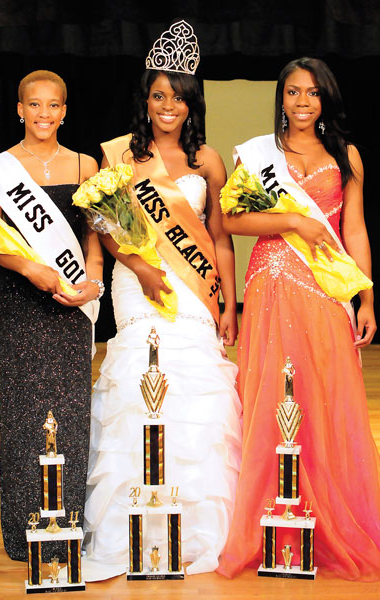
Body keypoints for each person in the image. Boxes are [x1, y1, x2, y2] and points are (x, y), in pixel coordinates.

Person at [83, 21, 242, 579]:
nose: (167, 106)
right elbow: (104, 222)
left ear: (191, 102)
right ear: (145, 100)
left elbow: (219, 238)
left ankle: (196, 528)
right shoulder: (122, 156)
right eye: (158, 96)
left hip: (195, 289)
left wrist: (228, 304)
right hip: (136, 282)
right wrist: (144, 270)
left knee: (194, 388)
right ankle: (134, 526)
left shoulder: (208, 162)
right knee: (137, 382)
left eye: (178, 97)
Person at [217, 57, 380, 581]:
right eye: (293, 92)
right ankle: (272, 521)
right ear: (281, 98)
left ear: (325, 98)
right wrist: (291, 219)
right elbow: (231, 219)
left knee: (326, 397)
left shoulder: (346, 154)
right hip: (272, 281)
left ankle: (330, 515)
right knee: (273, 398)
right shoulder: (260, 155)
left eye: (312, 92)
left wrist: (366, 299)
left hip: (326, 289)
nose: (302, 102)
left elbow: (353, 229)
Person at [0, 70, 103, 562]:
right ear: (19, 109)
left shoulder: (86, 164)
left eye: (53, 106)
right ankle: (24, 527)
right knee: (23, 415)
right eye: (35, 105)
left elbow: (95, 234)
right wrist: (32, 270)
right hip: (20, 303)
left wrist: (92, 274)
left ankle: (67, 522)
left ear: (65, 111)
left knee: (71, 415)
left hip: (72, 304)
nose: (44, 114)